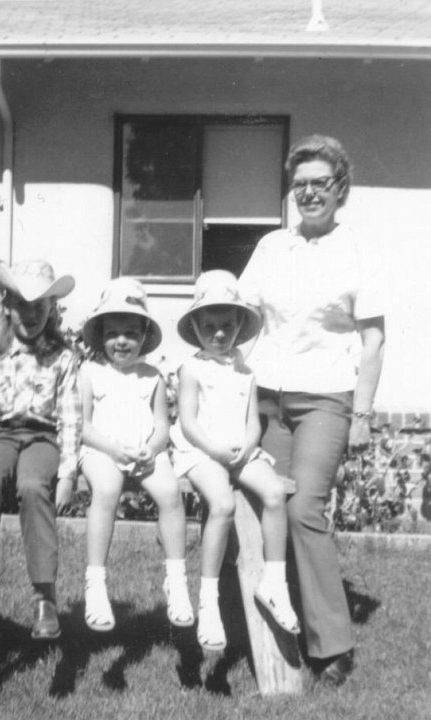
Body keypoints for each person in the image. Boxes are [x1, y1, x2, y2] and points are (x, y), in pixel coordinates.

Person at [238, 134, 385, 685]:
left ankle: (332, 645)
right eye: (299, 185)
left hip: (326, 396)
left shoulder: (357, 250)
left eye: (320, 183)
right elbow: (243, 316)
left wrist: (363, 416)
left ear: (339, 188)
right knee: (258, 502)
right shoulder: (273, 247)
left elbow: (372, 339)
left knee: (303, 508)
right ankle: (263, 627)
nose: (309, 193)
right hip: (267, 397)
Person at [171, 270, 300, 652]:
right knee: (223, 504)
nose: (219, 335)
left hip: (237, 450)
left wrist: (246, 445)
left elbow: (251, 423)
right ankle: (208, 600)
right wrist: (214, 449)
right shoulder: (191, 369)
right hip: (201, 450)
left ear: (240, 324)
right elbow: (188, 422)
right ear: (196, 327)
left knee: (275, 492)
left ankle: (274, 583)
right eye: (209, 326)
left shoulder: (246, 372)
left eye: (227, 326)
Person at [0, 260, 80, 641]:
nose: (30, 313)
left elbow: (71, 419)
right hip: (2, 436)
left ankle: (44, 597)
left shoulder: (64, 357)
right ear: (6, 305)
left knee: (32, 485)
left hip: (43, 438)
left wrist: (69, 474)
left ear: (51, 309)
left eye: (40, 305)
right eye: (22, 304)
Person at [78, 278, 193, 632]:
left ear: (144, 336)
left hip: (144, 453)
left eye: (130, 333)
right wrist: (113, 448)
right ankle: (96, 583)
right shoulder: (90, 372)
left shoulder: (152, 376)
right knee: (108, 489)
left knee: (171, 494)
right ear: (101, 336)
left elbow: (163, 425)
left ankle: (176, 580)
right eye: (113, 333)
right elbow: (81, 426)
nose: (122, 341)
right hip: (101, 449)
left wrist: (153, 448)